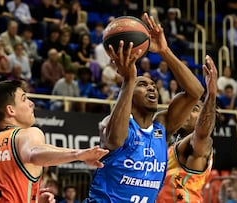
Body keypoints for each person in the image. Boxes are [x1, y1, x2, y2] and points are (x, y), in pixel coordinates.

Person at [84, 13, 204, 202]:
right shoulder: (111, 122)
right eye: (143, 84)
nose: (151, 87)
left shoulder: (162, 126)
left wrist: (165, 51)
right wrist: (129, 79)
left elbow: (195, 92)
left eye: (153, 86)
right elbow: (115, 139)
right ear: (129, 93)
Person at [0, 79, 109, 203]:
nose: (31, 103)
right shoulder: (24, 135)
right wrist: (79, 154)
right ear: (11, 110)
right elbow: (33, 153)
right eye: (24, 98)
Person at [156, 55, 217, 202]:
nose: (187, 112)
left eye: (194, 109)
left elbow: (201, 135)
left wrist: (212, 95)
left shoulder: (201, 144)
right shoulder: (168, 144)